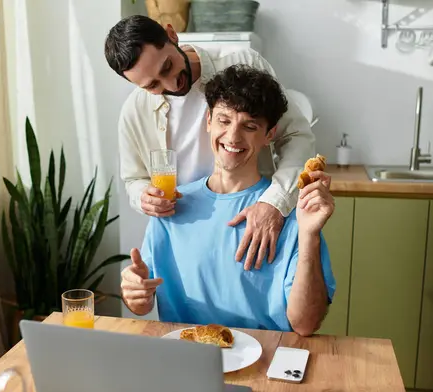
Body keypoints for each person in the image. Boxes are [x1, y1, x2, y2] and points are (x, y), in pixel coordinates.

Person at [119, 65, 335, 336]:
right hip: (189, 358)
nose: (233, 137)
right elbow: (142, 304)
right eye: (224, 120)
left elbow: (305, 324)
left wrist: (310, 235)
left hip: (267, 361)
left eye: (250, 126)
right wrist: (135, 291)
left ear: (270, 134)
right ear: (208, 120)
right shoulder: (171, 206)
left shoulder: (289, 213)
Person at [105, 15, 315, 270]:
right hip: (186, 234)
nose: (171, 84)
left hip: (253, 220)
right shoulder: (134, 110)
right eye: (152, 86)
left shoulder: (241, 61)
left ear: (171, 35)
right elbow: (133, 179)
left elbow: (295, 135)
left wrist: (274, 203)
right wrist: (142, 196)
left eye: (167, 67)